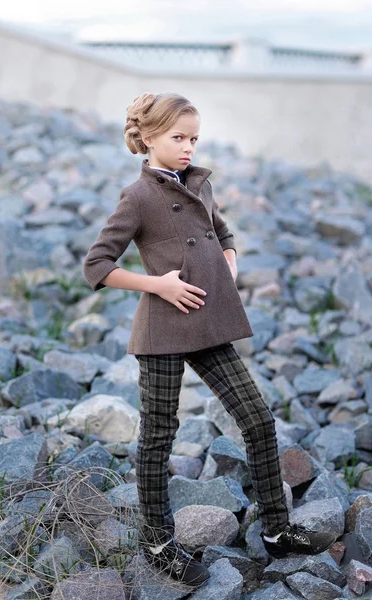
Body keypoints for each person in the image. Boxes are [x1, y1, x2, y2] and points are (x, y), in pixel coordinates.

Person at [82, 92, 337, 588]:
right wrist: (159, 284)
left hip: (208, 325)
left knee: (258, 420)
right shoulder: (137, 198)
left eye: (194, 138)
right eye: (178, 138)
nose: (187, 147)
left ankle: (276, 530)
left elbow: (221, 230)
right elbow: (96, 265)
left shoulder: (199, 183)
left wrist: (232, 255)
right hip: (162, 331)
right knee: (159, 435)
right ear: (149, 138)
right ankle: (157, 541)